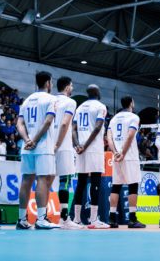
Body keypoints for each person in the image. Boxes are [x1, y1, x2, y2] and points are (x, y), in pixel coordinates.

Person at [16, 71, 59, 230]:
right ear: (48, 82)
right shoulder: (51, 99)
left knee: (26, 181)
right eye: (51, 82)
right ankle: (41, 218)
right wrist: (35, 140)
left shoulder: (26, 101)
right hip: (42, 146)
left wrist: (27, 139)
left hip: (26, 147)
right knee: (42, 180)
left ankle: (21, 219)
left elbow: (19, 123)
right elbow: (48, 121)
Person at [72, 84, 109, 229]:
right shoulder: (101, 106)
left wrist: (78, 146)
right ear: (95, 92)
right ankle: (93, 220)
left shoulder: (80, 107)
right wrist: (86, 146)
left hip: (80, 149)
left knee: (80, 183)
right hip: (93, 148)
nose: (99, 92)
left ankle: (76, 219)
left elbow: (73, 129)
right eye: (98, 90)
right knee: (95, 182)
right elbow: (98, 127)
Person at [107, 95, 146, 229]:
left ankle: (112, 219)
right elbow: (130, 136)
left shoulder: (114, 119)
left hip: (116, 157)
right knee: (133, 186)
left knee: (116, 186)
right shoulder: (134, 117)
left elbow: (109, 138)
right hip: (128, 156)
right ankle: (132, 219)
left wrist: (115, 152)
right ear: (131, 103)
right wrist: (123, 153)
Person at [51, 76, 82, 229]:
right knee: (65, 181)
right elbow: (65, 123)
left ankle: (41, 217)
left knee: (47, 180)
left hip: (49, 146)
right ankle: (64, 218)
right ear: (68, 87)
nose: (72, 88)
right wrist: (58, 144)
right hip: (62, 145)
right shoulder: (71, 102)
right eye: (71, 85)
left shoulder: (50, 100)